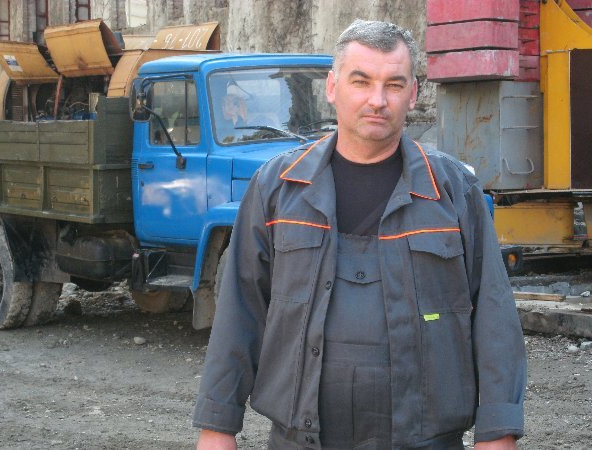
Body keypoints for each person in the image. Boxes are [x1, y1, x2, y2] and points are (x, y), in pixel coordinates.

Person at [194, 19, 526, 450]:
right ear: (333, 87)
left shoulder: (451, 191)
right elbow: (240, 312)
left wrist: (498, 433)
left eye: (394, 84)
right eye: (361, 81)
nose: (377, 100)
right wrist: (217, 428)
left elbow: (495, 317)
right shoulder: (278, 188)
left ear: (413, 93)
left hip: (426, 442)